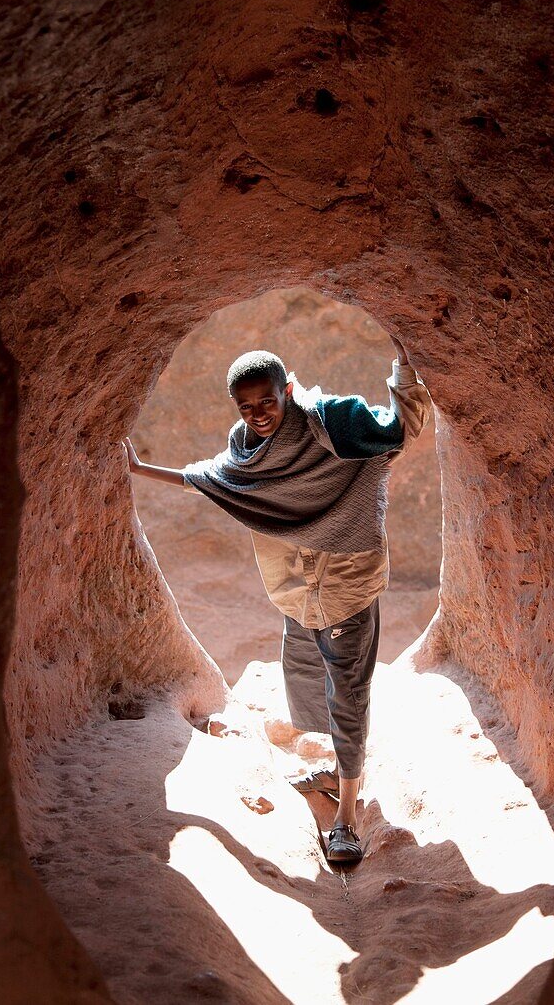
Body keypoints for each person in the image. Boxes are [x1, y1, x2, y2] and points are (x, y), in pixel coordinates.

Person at [123, 334, 431, 864]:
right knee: (307, 676)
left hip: (345, 578)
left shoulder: (333, 421)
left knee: (348, 694)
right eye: (247, 406)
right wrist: (140, 469)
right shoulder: (246, 448)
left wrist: (404, 368)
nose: (259, 413)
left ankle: (348, 816)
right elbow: (212, 480)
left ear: (287, 388)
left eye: (268, 399)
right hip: (294, 586)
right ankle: (337, 769)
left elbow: (400, 429)